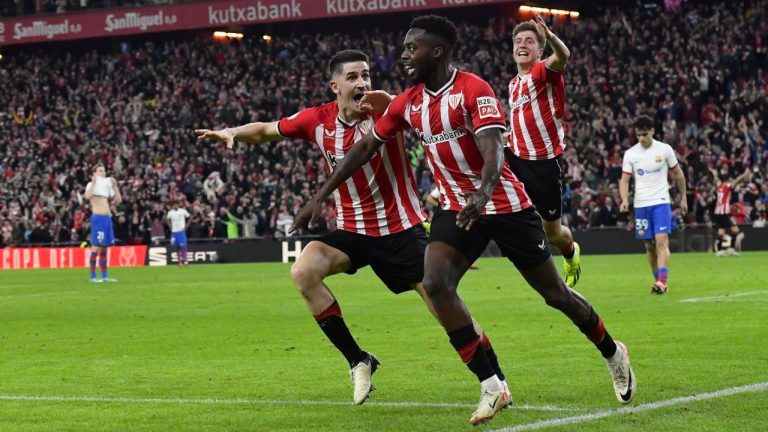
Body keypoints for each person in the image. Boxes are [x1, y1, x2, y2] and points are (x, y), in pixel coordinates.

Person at [295, 16, 635, 426]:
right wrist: (320, 194)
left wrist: (483, 191)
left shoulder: (474, 90)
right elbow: (366, 146)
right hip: (458, 211)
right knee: (436, 283)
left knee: (556, 295)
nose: (403, 55)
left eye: (411, 48)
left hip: (505, 206)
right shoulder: (408, 103)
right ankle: (492, 384)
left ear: (436, 52)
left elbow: (493, 151)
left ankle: (613, 352)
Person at [195, 50, 508, 407]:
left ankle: (497, 380)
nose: (362, 83)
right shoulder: (317, 120)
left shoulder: (386, 110)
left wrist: (388, 101)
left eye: (366, 75)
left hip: (401, 231)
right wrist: (231, 131)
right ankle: (359, 360)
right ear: (335, 86)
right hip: (352, 233)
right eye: (353, 77)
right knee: (304, 271)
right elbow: (267, 130)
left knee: (449, 311)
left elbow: (416, 114)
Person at [505, 16, 581, 287]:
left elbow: (563, 55)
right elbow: (521, 122)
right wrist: (507, 135)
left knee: (554, 233)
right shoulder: (513, 86)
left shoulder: (542, 71)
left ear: (539, 50)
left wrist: (550, 36)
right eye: (517, 41)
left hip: (543, 164)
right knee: (484, 157)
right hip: (514, 156)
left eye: (529, 41)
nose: (522, 45)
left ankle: (571, 252)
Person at [619, 115, 688, 294]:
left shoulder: (665, 150)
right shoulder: (631, 154)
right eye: (638, 135)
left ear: (652, 131)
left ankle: (662, 283)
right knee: (649, 245)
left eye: (644, 134)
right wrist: (625, 199)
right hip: (641, 205)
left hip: (661, 202)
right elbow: (625, 179)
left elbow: (678, 175)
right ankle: (658, 280)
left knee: (661, 241)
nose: (641, 138)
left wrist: (684, 197)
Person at [83, 163, 122, 283]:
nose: (103, 173)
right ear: (94, 173)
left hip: (107, 218)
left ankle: (105, 276)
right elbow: (87, 196)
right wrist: (94, 183)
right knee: (96, 246)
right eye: (100, 171)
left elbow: (118, 201)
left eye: (104, 170)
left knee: (105, 247)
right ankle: (93, 276)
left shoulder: (107, 185)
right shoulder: (91, 185)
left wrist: (115, 187)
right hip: (98, 218)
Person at [710, 167, 750, 256]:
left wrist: (714, 172)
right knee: (736, 230)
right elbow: (738, 180)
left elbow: (716, 178)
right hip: (725, 212)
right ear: (728, 179)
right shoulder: (727, 186)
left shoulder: (719, 185)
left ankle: (719, 251)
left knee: (721, 231)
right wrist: (745, 174)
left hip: (718, 212)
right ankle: (731, 249)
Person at [166, 200, 191, 267]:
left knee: (183, 246)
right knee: (177, 247)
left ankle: (185, 260)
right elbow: (167, 219)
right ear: (172, 206)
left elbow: (190, 217)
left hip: (181, 231)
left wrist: (186, 226)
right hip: (174, 232)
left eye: (176, 204)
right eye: (174, 205)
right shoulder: (170, 212)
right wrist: (170, 226)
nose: (175, 206)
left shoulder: (183, 211)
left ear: (178, 205)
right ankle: (179, 262)